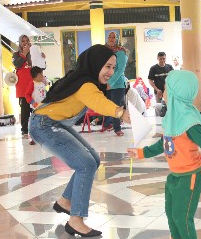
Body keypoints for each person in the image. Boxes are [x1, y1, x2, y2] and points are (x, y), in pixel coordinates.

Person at [127, 70, 201, 239]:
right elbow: (165, 143)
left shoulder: (189, 122)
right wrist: (142, 153)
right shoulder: (173, 117)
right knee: (172, 216)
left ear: (174, 93)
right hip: (175, 176)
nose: (162, 92)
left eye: (165, 89)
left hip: (191, 176)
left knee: (182, 218)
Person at [30, 45, 128, 237]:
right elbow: (99, 103)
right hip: (44, 125)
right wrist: (120, 113)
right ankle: (76, 219)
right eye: (107, 66)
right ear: (96, 63)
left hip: (52, 122)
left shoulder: (85, 80)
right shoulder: (86, 85)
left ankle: (66, 201)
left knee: (93, 160)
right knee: (86, 164)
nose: (110, 72)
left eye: (113, 68)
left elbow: (97, 99)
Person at [102, 31, 129, 136]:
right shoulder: (104, 51)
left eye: (114, 37)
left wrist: (111, 82)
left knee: (116, 106)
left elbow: (120, 69)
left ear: (117, 39)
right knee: (107, 105)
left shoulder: (121, 52)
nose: (111, 39)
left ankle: (117, 128)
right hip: (106, 82)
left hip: (117, 84)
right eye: (109, 36)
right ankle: (107, 124)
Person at [12, 36, 36, 139]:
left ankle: (36, 130)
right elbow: (17, 65)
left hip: (34, 85)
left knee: (36, 108)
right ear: (20, 43)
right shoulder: (16, 54)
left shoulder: (34, 54)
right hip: (22, 86)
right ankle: (24, 131)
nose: (25, 43)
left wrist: (42, 58)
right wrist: (24, 54)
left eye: (27, 41)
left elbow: (40, 67)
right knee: (25, 109)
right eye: (23, 41)